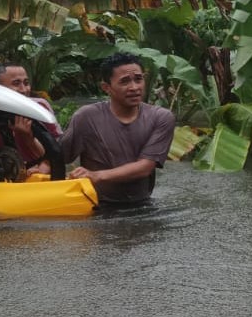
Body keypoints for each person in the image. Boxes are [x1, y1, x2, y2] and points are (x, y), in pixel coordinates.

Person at [61, 52, 176, 206]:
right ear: (106, 87)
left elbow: (145, 167)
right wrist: (27, 137)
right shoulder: (86, 117)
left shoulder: (161, 117)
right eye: (125, 82)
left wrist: (96, 175)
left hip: (141, 206)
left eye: (138, 79)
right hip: (95, 205)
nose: (134, 87)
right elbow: (60, 157)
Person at [0, 63, 60, 176]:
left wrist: (28, 138)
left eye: (26, 83)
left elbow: (57, 147)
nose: (24, 89)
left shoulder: (40, 106)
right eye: (16, 83)